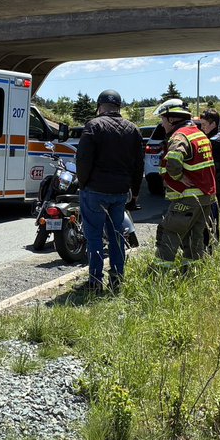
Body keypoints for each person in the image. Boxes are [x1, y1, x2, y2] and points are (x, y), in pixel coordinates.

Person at [73, 89, 144, 293]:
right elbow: (139, 165)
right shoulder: (133, 129)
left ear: (100, 106)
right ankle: (117, 279)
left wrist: (84, 183)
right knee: (116, 236)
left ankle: (95, 281)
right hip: (120, 192)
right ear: (119, 107)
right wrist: (135, 192)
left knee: (94, 236)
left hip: (95, 190)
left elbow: (83, 159)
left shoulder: (93, 126)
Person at [154, 104, 217, 273]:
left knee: (169, 233)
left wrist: (178, 176)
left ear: (172, 119)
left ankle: (159, 276)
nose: (162, 124)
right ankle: (191, 273)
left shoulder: (180, 136)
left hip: (187, 198)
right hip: (205, 198)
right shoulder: (200, 134)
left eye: (162, 120)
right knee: (194, 239)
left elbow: (173, 162)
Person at [195, 108, 220, 250]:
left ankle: (211, 249)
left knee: (211, 221)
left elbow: (207, 145)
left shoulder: (219, 139)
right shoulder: (211, 136)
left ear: (213, 124)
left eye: (204, 124)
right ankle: (205, 248)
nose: (201, 127)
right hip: (209, 184)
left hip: (215, 185)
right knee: (203, 221)